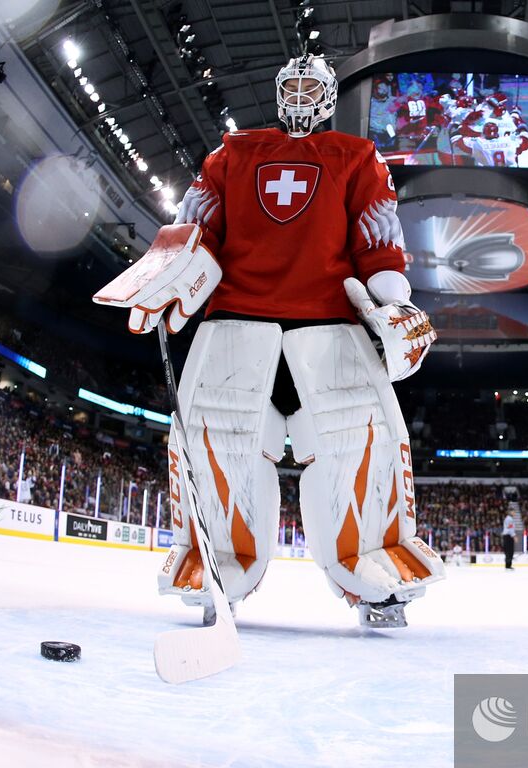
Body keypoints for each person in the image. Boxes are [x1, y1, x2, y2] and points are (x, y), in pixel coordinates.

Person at [93, 55, 442, 628]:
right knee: (217, 450)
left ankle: (373, 571)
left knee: (362, 447)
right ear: (278, 93)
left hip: (330, 331)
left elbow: (377, 246)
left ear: (329, 95)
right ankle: (218, 564)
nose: (301, 95)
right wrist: (166, 276)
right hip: (235, 326)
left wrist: (394, 304)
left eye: (312, 86)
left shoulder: (356, 157)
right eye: (292, 85)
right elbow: (192, 231)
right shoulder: (232, 152)